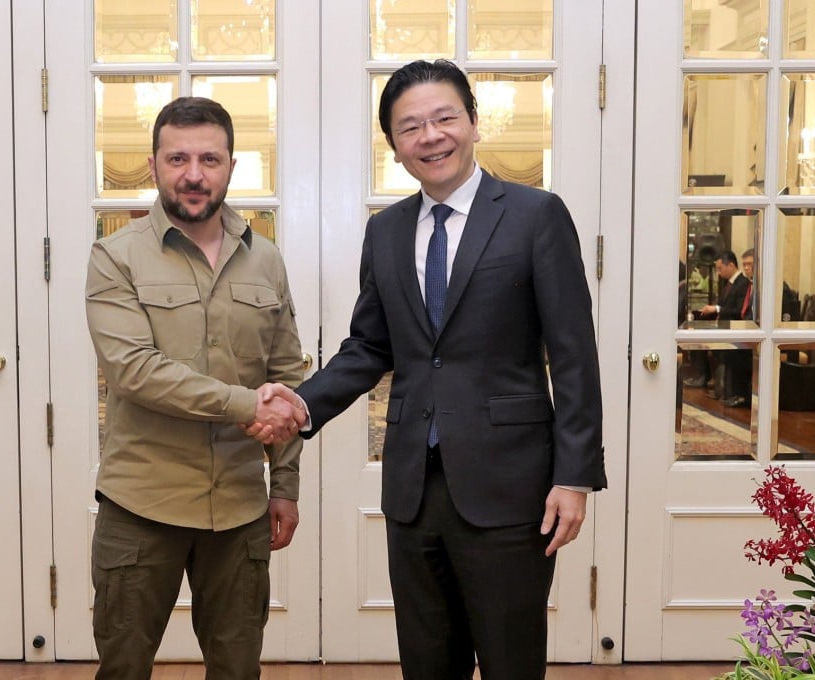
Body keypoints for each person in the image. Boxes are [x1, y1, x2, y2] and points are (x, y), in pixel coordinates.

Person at [254, 60, 605, 679]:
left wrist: (574, 476)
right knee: (427, 662)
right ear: (394, 144)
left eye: (445, 118)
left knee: (509, 660)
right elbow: (369, 346)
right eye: (410, 126)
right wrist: (304, 404)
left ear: (473, 122)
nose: (431, 135)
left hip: (511, 485)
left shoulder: (534, 214)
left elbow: (574, 355)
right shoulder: (385, 232)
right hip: (414, 485)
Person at [84, 96, 306, 680]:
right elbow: (135, 370)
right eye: (177, 158)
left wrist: (283, 483)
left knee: (238, 669)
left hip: (238, 508)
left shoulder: (267, 262)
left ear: (232, 165)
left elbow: (286, 377)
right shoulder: (115, 257)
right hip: (141, 506)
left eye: (210, 158)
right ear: (154, 164)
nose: (193, 174)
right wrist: (243, 404)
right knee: (123, 668)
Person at [699, 250, 752, 408]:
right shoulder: (729, 284)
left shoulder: (743, 284)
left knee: (732, 356)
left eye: (720, 268)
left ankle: (734, 393)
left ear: (730, 265)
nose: (718, 272)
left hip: (736, 330)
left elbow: (738, 311)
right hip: (725, 328)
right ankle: (718, 387)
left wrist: (716, 309)